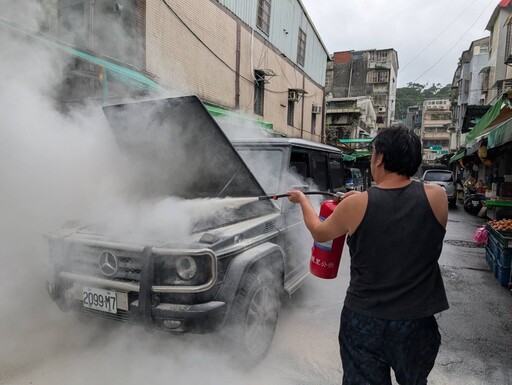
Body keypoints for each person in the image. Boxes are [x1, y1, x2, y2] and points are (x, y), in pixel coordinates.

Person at [287, 125, 449, 385]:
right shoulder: (438, 197)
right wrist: (363, 197)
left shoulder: (356, 204)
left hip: (365, 321)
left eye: (373, 152)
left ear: (380, 158)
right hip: (417, 323)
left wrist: (303, 200)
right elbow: (399, 202)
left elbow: (320, 233)